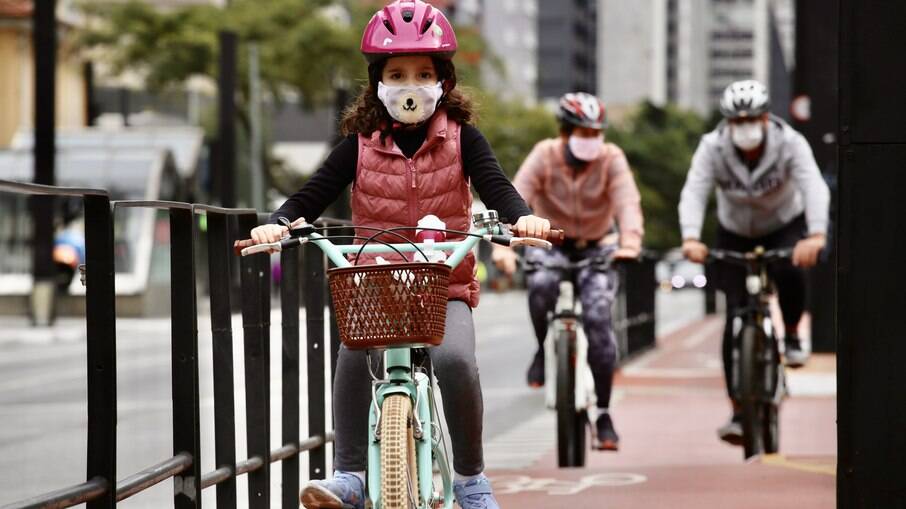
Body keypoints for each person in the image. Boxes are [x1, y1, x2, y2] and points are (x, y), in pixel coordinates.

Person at [248, 2, 550, 508]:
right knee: (351, 354)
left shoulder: (462, 139)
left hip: (443, 282)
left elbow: (497, 187)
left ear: (444, 82)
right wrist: (277, 224)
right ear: (378, 83)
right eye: (397, 74)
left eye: (424, 73)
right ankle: (349, 476)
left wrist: (522, 217)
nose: (410, 85)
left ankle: (471, 480)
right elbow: (311, 195)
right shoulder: (359, 144)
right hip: (378, 283)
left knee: (454, 360)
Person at [678, 79, 830, 445]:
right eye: (736, 120)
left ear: (766, 118)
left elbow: (813, 185)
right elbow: (695, 191)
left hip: (783, 224)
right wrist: (690, 237)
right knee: (734, 319)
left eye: (752, 119)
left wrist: (816, 234)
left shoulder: (791, 142)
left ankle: (792, 334)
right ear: (727, 122)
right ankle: (737, 410)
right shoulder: (711, 147)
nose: (744, 127)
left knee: (791, 268)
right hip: (734, 231)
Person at [491, 92, 644, 451]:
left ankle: (604, 413)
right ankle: (542, 349)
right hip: (551, 243)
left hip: (598, 245)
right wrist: (505, 250)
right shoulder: (544, 155)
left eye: (595, 133)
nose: (589, 141)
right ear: (563, 132)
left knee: (599, 319)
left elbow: (628, 203)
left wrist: (630, 244)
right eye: (580, 132)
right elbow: (514, 196)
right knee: (541, 284)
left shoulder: (612, 159)